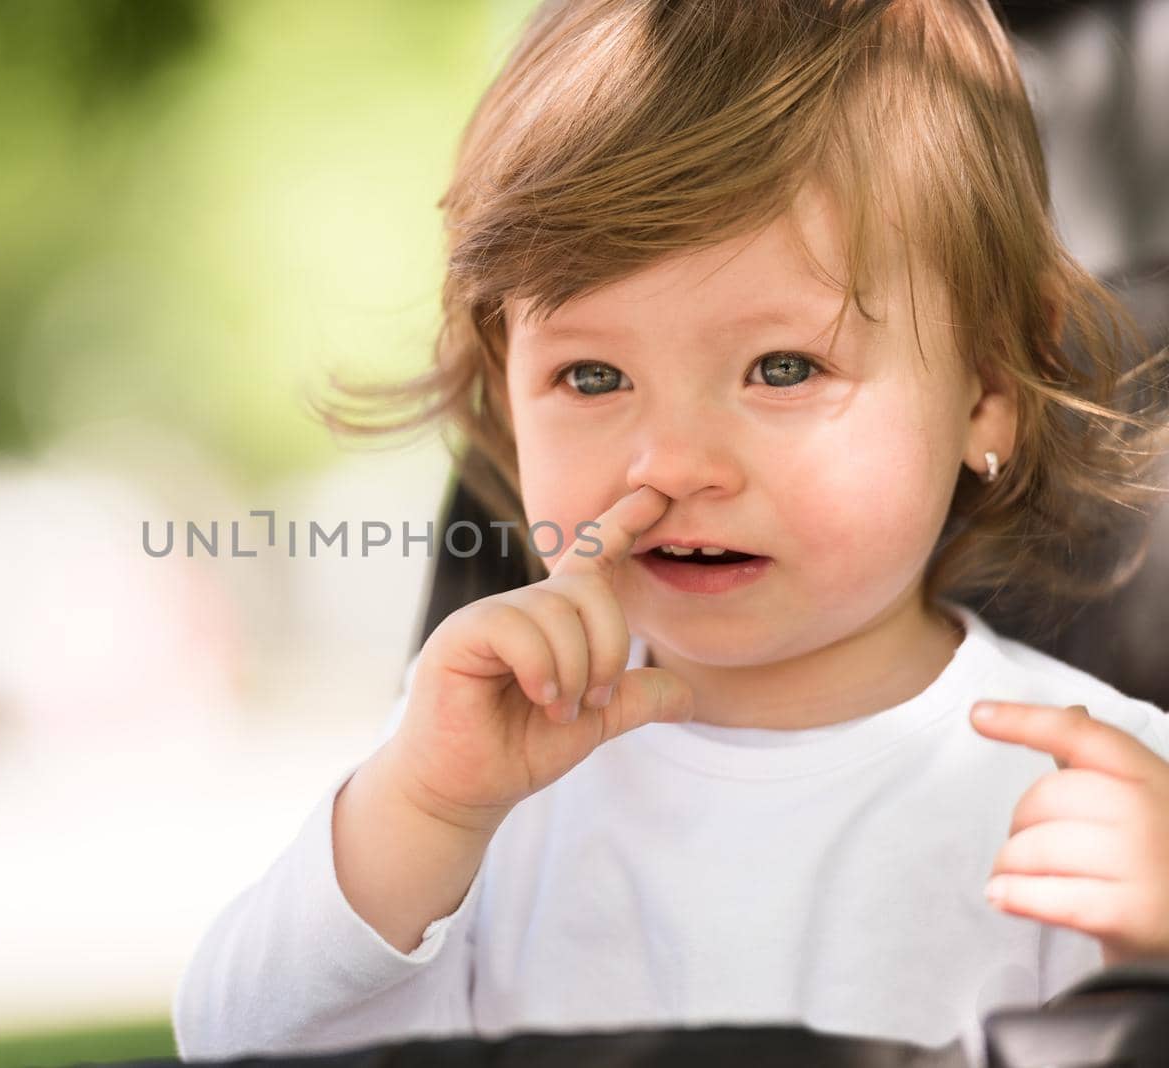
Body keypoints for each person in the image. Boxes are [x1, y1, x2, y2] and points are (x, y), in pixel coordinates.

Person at [172, 0, 1169, 1063]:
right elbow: (234, 1043)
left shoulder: (1114, 792)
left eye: (782, 368)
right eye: (591, 376)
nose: (672, 463)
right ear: (508, 405)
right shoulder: (479, 783)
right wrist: (418, 813)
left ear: (983, 392)